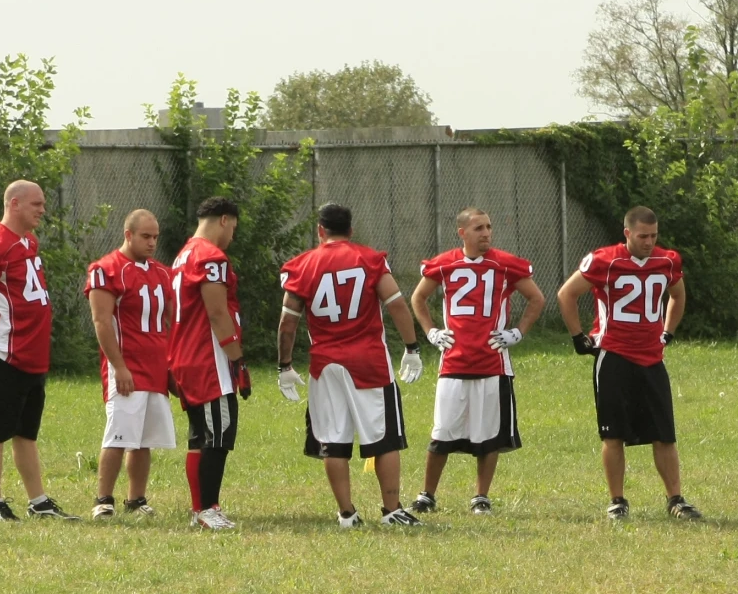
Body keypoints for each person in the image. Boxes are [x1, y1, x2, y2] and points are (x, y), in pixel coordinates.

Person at [275, 202, 426, 528]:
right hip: (369, 361)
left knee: (333, 440)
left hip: (326, 365)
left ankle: (347, 514)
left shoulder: (302, 266)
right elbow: (397, 305)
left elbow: (287, 325)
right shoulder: (370, 260)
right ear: (351, 230)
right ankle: (391, 510)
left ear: (320, 230)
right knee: (384, 438)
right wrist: (412, 347)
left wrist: (284, 366)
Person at [556, 204, 703, 522]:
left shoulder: (667, 260)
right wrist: (579, 337)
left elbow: (677, 295)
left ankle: (675, 498)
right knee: (613, 433)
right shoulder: (604, 260)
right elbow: (566, 294)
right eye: (642, 236)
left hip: (652, 357)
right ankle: (617, 500)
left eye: (653, 235)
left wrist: (668, 332)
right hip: (614, 355)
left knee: (665, 433)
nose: (649, 242)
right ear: (627, 234)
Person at [408, 207, 545, 514]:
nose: (486, 233)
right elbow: (418, 297)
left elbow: (536, 298)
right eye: (479, 228)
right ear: (463, 233)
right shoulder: (443, 264)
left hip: (492, 361)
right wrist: (431, 332)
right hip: (454, 361)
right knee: (442, 432)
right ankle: (427, 494)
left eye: (489, 227)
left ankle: (480, 496)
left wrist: (518, 333)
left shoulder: (506, 264)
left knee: (488, 436)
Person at [0, 179, 74, 520]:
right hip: (2, 349)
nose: (42, 209)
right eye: (36, 203)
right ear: (15, 204)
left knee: (26, 430)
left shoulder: (28, 241)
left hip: (31, 349)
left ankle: (38, 500)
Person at [84, 208, 174, 518]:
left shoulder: (163, 273)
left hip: (156, 366)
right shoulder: (107, 269)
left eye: (155, 237)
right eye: (145, 237)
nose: (152, 243)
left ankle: (136, 499)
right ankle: (103, 499)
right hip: (127, 366)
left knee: (144, 439)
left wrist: (171, 363)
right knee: (119, 434)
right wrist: (119, 366)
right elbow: (102, 321)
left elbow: (168, 321)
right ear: (128, 235)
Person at [169, 196, 251, 531]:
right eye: (233, 227)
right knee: (218, 435)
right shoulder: (210, 256)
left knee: (200, 436)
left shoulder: (183, 255)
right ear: (225, 220)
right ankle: (206, 508)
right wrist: (238, 361)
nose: (232, 235)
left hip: (186, 354)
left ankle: (200, 508)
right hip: (208, 357)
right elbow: (216, 312)